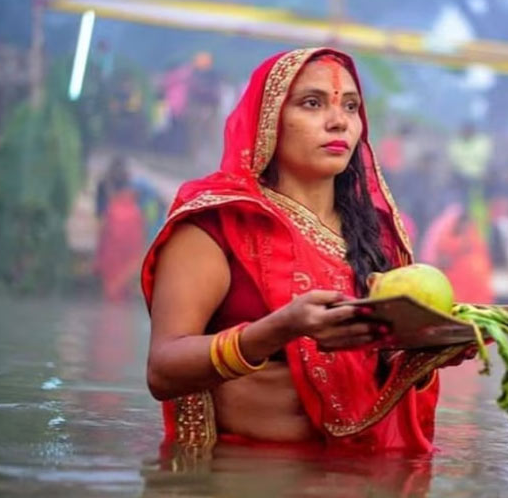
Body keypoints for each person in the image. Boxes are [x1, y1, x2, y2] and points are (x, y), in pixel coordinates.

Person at [141, 48, 474, 455]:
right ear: (269, 120)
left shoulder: (378, 236)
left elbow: (383, 373)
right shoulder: (217, 224)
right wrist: (277, 330)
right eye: (312, 103)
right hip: (242, 475)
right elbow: (162, 371)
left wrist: (430, 352)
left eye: (350, 106)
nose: (339, 121)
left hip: (366, 475)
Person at [95, 157, 147, 303]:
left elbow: (99, 211)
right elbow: (100, 210)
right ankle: (115, 294)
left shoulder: (124, 186)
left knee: (118, 268)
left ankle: (116, 294)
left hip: (122, 234)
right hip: (115, 233)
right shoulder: (106, 185)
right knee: (116, 268)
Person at [424, 204, 494, 304]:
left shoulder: (474, 239)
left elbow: (483, 262)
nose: (464, 226)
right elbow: (442, 260)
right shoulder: (447, 240)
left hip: (477, 288)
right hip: (456, 286)